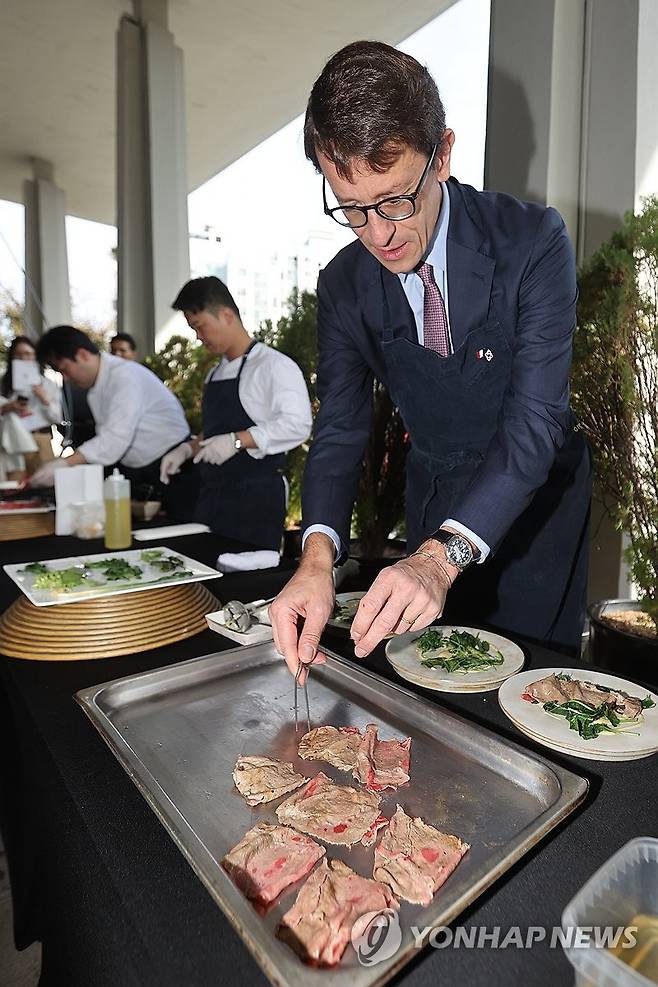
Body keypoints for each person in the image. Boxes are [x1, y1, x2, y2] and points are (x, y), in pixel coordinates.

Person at [269, 41, 592, 676]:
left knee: (529, 693)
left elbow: (535, 423)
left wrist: (440, 559)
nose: (379, 233)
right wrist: (315, 559)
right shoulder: (344, 284)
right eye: (351, 209)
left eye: (394, 199)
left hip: (535, 504)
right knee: (429, 678)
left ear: (441, 154)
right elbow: (339, 428)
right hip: (436, 487)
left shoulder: (531, 241)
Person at [161, 276, 312, 551]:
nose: (198, 337)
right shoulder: (214, 374)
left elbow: (297, 425)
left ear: (227, 315)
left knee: (247, 585)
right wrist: (188, 449)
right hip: (213, 496)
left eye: (200, 326)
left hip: (256, 500)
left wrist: (237, 441)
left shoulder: (274, 366)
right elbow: (217, 432)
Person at [31, 326, 191, 503]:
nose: (66, 378)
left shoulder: (123, 376)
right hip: (138, 468)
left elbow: (114, 439)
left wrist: (65, 463)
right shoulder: (97, 386)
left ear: (83, 355)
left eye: (65, 370)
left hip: (171, 464)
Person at [0, 335, 62, 475]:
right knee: (13, 486)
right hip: (12, 441)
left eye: (27, 354)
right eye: (18, 354)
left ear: (35, 356)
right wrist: (7, 408)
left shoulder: (48, 384)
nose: (23, 358)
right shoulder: (3, 383)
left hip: (40, 439)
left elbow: (57, 417)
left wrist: (43, 398)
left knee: (42, 485)